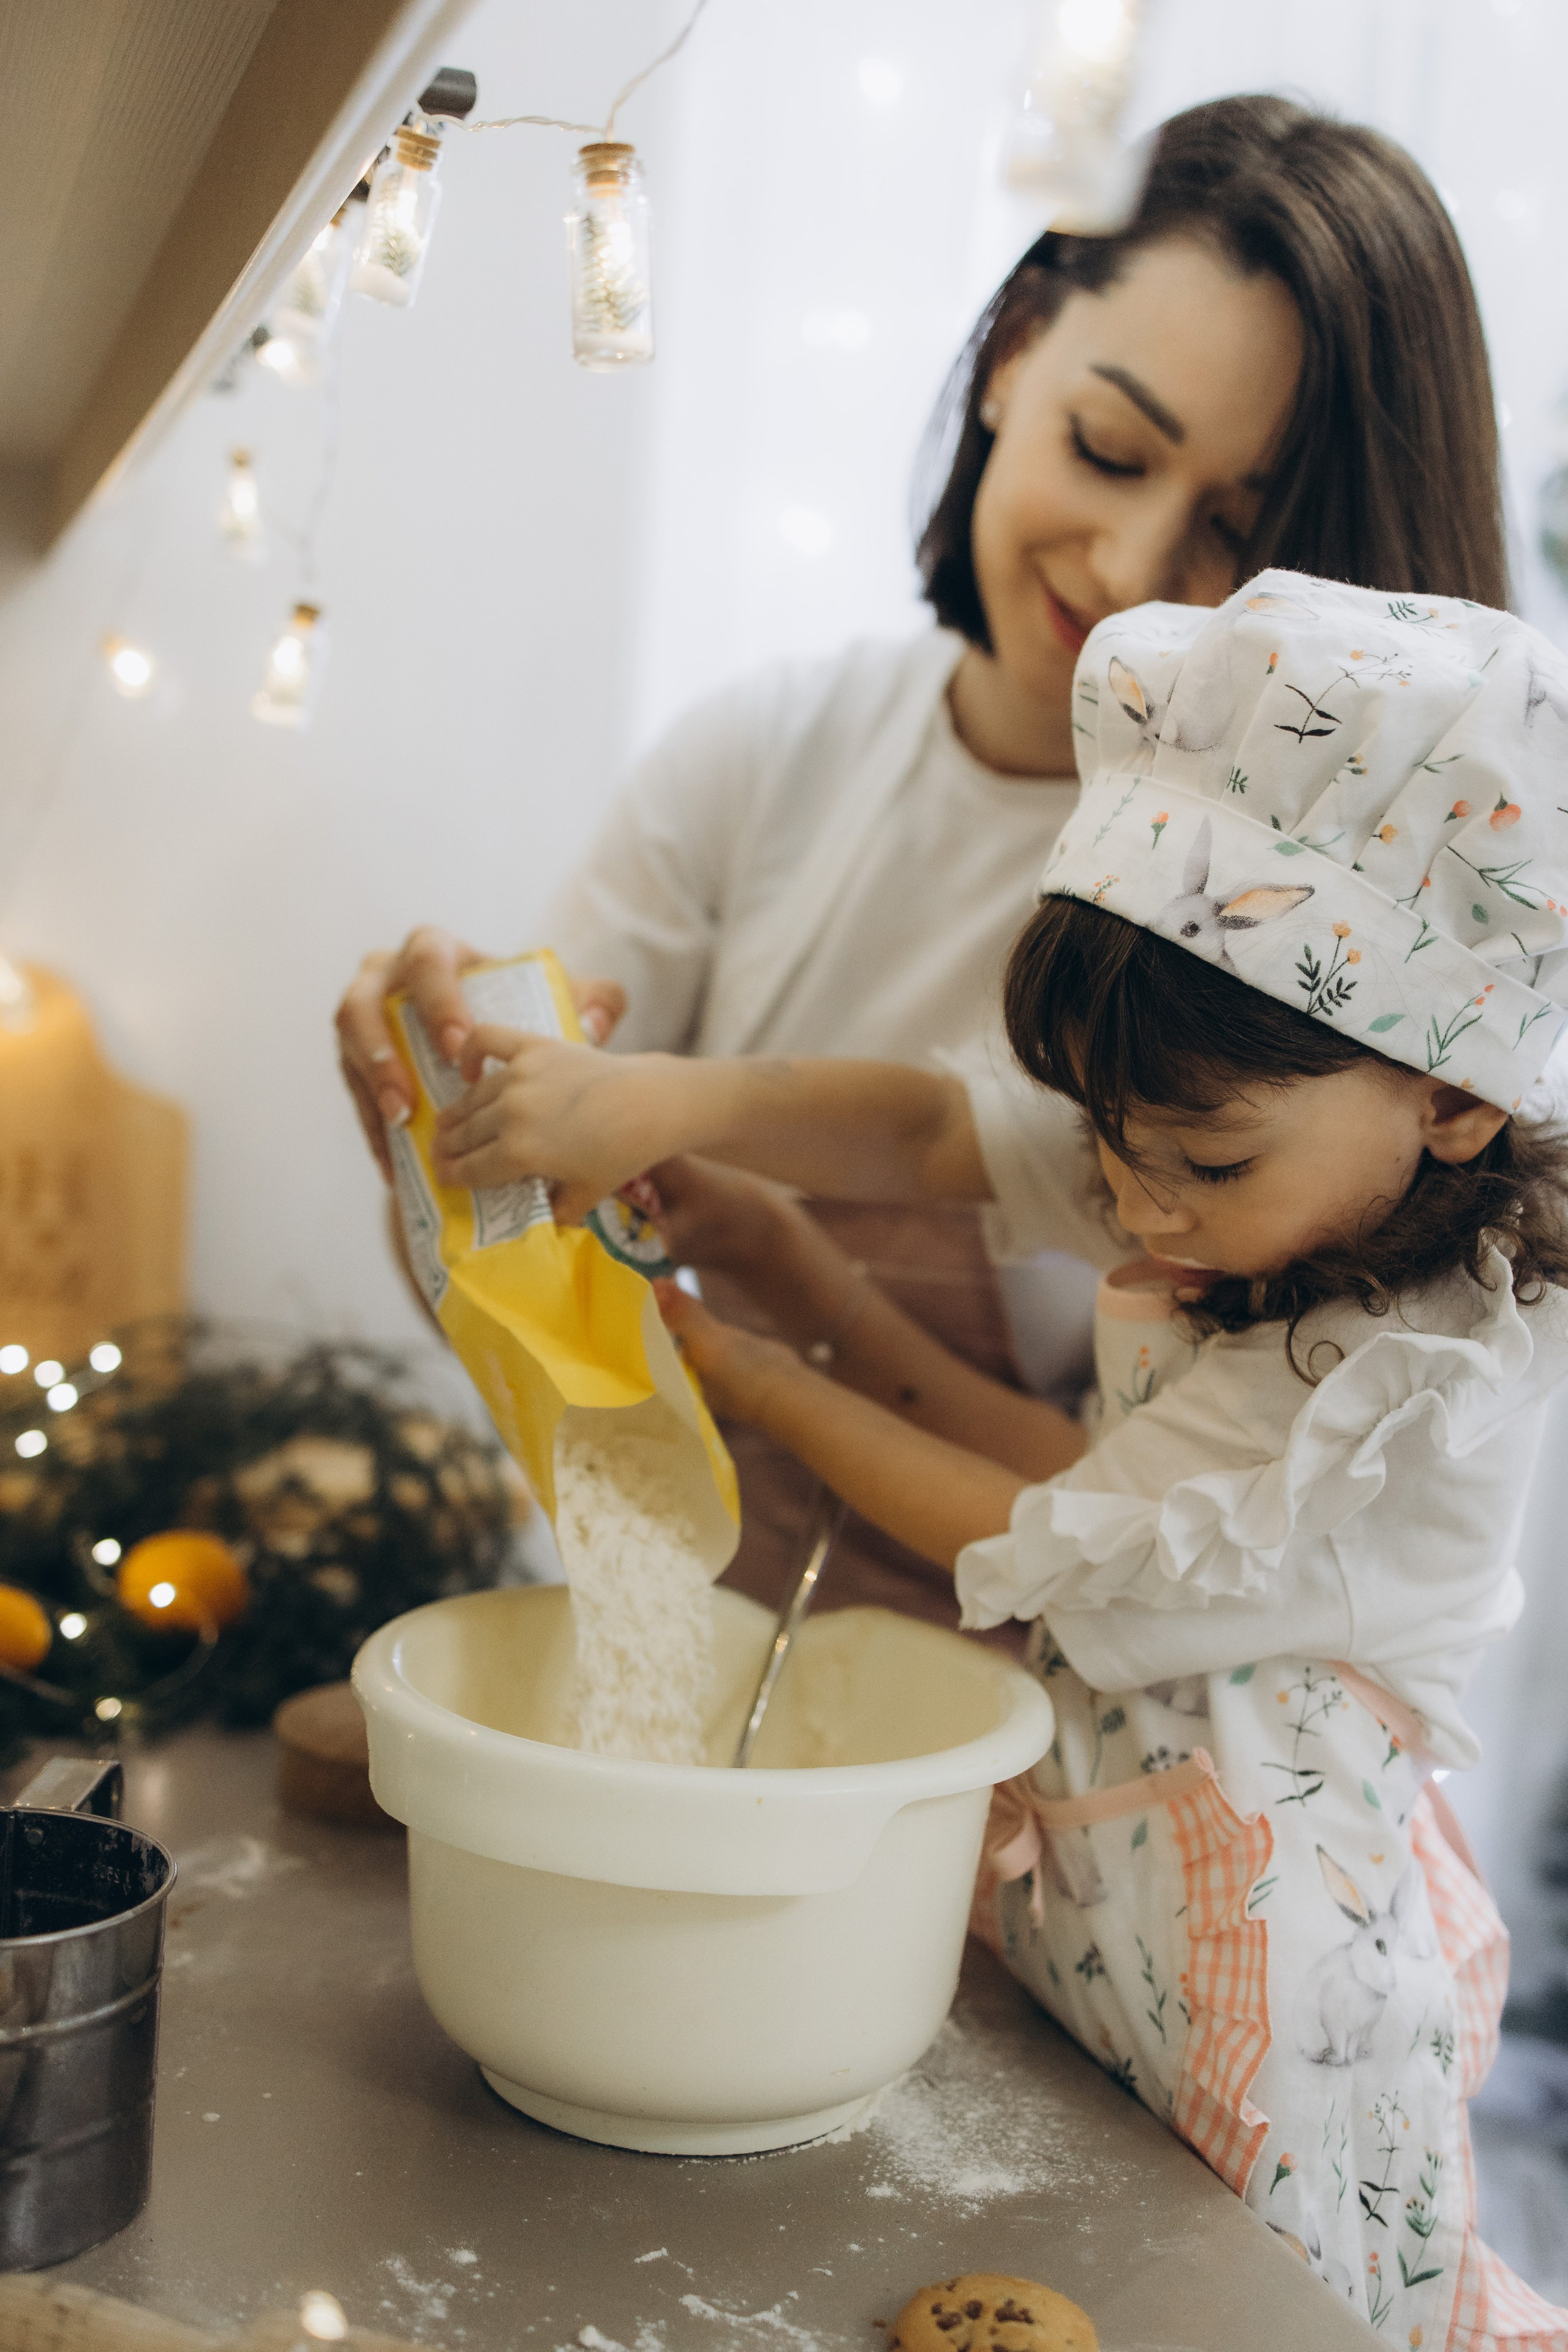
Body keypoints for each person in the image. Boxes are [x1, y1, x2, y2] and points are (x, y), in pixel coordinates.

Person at [429, 574, 1568, 2346]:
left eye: (1195, 1159)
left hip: (1282, 1961)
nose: (1134, 1201)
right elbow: (928, 1131)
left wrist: (748, 1371)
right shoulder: (1252, 1151)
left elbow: (1026, 1518)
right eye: (1114, 1140)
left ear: (1456, 1096)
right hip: (1124, 1893)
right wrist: (697, 1140)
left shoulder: (1400, 1364)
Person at [337, 93, 1509, 1637]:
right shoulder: (764, 759)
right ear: (1015, 345)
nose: (1133, 574)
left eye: (1243, 538)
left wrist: (775, 1335)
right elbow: (545, 1250)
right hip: (716, 1647)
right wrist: (446, 1118)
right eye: (1107, 449)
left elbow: (1146, 1521)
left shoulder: (1315, 963)